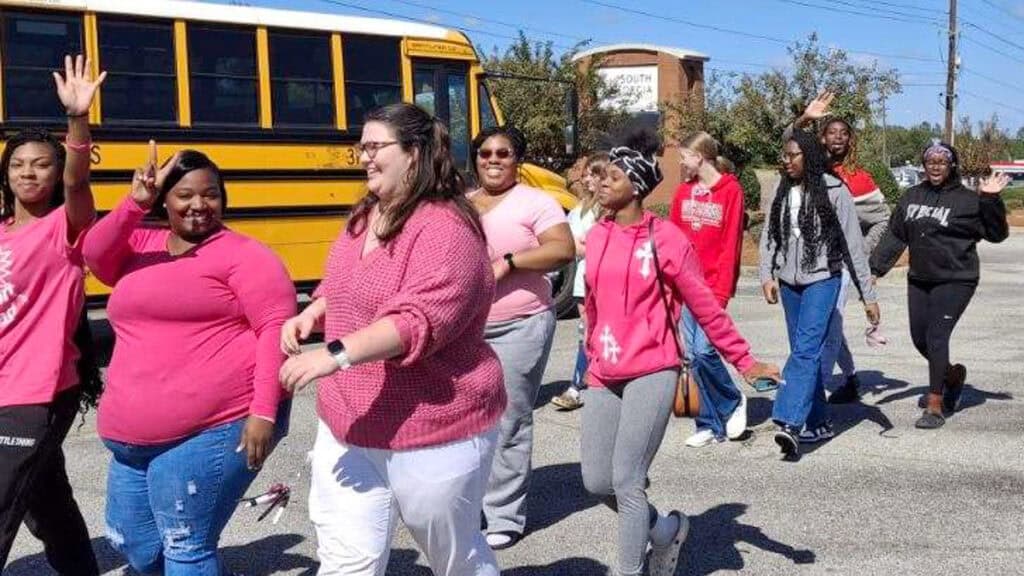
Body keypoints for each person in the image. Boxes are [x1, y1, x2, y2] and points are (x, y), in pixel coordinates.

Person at [278, 103, 505, 576]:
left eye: (375, 146)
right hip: (350, 422)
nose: (363, 157)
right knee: (346, 559)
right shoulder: (366, 214)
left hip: (434, 426)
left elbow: (415, 320)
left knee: (454, 558)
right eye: (361, 147)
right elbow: (344, 281)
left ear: (415, 154)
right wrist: (316, 311)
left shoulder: (447, 228)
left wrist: (335, 355)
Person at [82, 144, 295, 575]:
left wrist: (263, 414)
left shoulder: (245, 256)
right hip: (129, 439)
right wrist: (133, 204)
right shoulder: (141, 244)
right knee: (133, 542)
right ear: (165, 199)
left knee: (186, 544)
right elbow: (93, 254)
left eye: (211, 194)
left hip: (213, 428)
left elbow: (275, 331)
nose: (199, 204)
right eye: (185, 195)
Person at [582, 128, 780, 576]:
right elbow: (592, 303)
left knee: (627, 482)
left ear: (637, 184)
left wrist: (744, 362)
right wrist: (590, 350)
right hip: (604, 371)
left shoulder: (666, 238)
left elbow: (705, 305)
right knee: (596, 481)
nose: (603, 182)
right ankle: (666, 530)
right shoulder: (597, 236)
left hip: (653, 369)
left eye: (613, 175)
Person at [0, 54, 104, 576]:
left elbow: (78, 184)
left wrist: (77, 121)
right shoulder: (1, 233)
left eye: (41, 163)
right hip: (3, 387)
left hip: (36, 392)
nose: (28, 172)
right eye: (18, 164)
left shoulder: (67, 226)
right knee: (48, 505)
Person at [468, 125, 575, 549]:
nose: (494, 160)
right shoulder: (462, 204)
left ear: (517, 160)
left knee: (508, 416)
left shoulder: (536, 202)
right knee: (466, 420)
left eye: (503, 154)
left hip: (520, 324)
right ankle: (467, 503)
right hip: (467, 328)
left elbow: (562, 249)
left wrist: (510, 262)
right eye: (486, 153)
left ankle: (504, 515)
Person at [759, 130, 880, 460]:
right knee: (802, 351)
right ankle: (819, 420)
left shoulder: (835, 189)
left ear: (809, 156)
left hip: (823, 279)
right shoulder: (782, 190)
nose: (786, 161)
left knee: (808, 348)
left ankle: (790, 422)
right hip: (788, 282)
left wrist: (867, 296)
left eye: (793, 155)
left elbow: (854, 247)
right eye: (784, 156)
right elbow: (771, 235)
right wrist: (766, 274)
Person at [870, 141, 1009, 429]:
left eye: (941, 161)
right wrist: (874, 270)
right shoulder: (912, 196)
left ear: (951, 165)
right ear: (924, 165)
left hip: (957, 279)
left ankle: (935, 403)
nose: (935, 165)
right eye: (930, 160)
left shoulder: (969, 200)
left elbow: (997, 234)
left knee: (936, 337)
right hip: (920, 279)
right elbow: (896, 236)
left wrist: (991, 200)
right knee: (920, 339)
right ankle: (952, 375)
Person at [789, 91, 892, 403]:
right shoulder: (810, 170)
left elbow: (883, 219)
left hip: (839, 266)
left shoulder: (858, 179)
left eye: (843, 133)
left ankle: (814, 392)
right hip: (805, 263)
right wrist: (804, 119)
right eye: (831, 132)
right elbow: (788, 140)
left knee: (828, 325)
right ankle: (849, 378)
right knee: (827, 324)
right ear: (820, 137)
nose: (837, 138)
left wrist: (861, 251)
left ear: (851, 141)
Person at [669, 131, 748, 447]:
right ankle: (709, 423)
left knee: (703, 350)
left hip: (711, 286)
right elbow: (671, 240)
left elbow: (732, 244)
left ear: (699, 157)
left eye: (684, 157)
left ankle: (731, 400)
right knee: (690, 354)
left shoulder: (731, 191)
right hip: (682, 285)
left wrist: (722, 289)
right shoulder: (682, 193)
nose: (681, 163)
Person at [552, 151, 608, 411]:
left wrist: (587, 244)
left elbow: (600, 246)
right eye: (586, 174)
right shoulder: (578, 210)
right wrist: (585, 244)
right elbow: (570, 246)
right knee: (585, 334)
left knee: (600, 332)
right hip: (582, 283)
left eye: (593, 174)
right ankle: (580, 385)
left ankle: (588, 385)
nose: (587, 180)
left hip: (604, 280)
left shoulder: (609, 209)